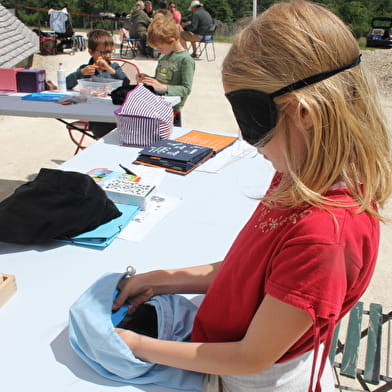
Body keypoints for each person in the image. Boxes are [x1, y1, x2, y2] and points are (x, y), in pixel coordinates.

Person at [113, 1, 392, 391]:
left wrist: (136, 344)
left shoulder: (325, 235)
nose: (249, 140)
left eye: (252, 121)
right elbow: (250, 273)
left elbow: (251, 356)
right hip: (236, 357)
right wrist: (162, 280)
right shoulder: (297, 175)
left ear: (305, 113)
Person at [66, 29, 129, 138]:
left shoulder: (114, 67)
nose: (108, 55)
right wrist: (79, 74)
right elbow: (66, 84)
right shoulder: (86, 70)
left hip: (116, 114)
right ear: (91, 52)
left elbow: (126, 83)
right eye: (104, 52)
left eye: (110, 51)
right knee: (101, 136)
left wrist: (110, 70)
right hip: (96, 116)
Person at [137, 14, 195, 127]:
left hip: (172, 111)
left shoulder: (185, 60)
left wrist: (163, 88)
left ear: (172, 41)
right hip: (156, 107)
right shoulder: (163, 56)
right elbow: (159, 80)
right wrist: (148, 79)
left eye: (160, 47)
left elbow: (186, 89)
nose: (158, 51)